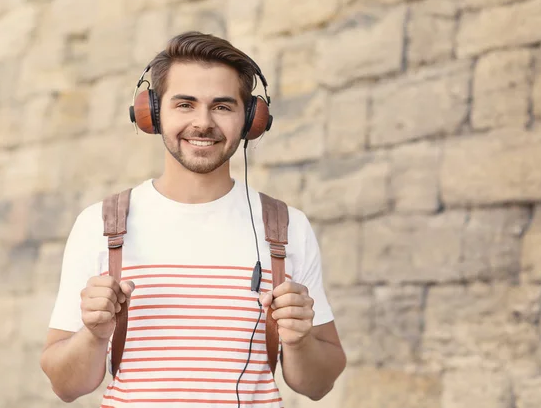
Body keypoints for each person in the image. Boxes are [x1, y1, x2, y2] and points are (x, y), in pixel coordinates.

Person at [40, 31, 346, 408]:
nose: (203, 123)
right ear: (151, 112)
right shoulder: (101, 224)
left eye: (222, 106)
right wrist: (93, 335)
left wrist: (298, 340)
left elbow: (318, 385)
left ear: (251, 118)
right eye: (184, 104)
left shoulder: (285, 226)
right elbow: (65, 386)